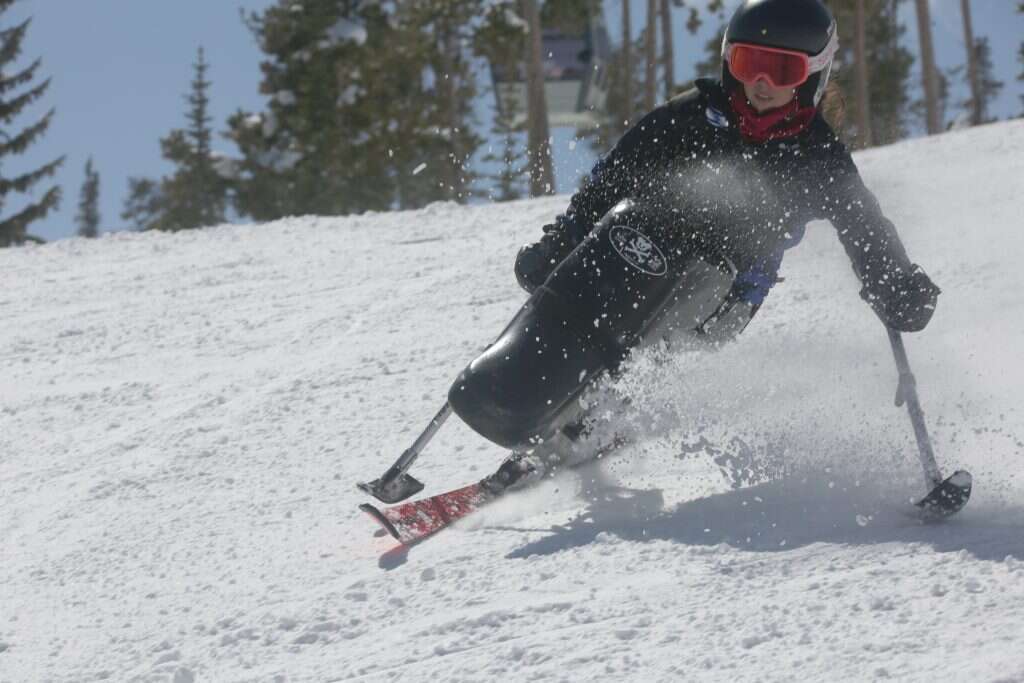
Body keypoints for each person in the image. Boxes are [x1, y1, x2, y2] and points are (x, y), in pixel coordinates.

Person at [513, 0, 939, 342]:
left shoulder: (817, 157)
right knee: (620, 242)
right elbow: (615, 177)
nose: (761, 81)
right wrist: (564, 241)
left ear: (812, 75)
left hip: (731, 287)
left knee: (696, 302)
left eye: (781, 69)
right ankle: (541, 361)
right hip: (643, 247)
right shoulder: (692, 115)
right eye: (747, 61)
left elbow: (863, 226)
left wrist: (895, 285)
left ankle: (632, 394)